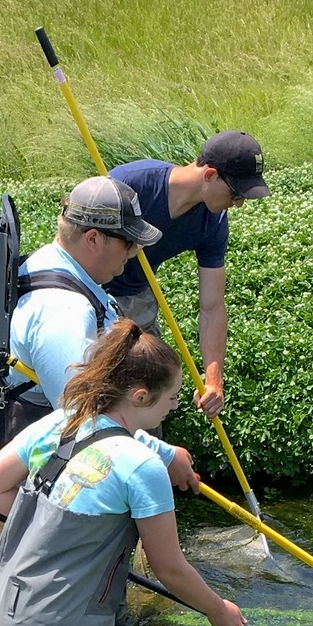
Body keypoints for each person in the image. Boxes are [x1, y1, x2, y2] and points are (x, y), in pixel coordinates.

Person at [0, 320, 245, 626]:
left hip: (13, 601)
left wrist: (53, 541)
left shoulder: (62, 422)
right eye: (173, 398)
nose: (174, 408)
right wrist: (219, 609)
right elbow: (169, 569)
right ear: (141, 396)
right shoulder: (141, 468)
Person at [102, 131, 271, 417]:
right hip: (87, 288)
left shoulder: (213, 222)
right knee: (100, 389)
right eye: (236, 193)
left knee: (151, 390)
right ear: (210, 175)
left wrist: (213, 378)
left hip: (137, 295)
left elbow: (213, 306)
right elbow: (76, 238)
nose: (239, 203)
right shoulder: (131, 183)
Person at [4, 176, 160, 441]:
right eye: (129, 243)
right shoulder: (62, 311)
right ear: (93, 239)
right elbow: (80, 416)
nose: (135, 252)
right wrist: (165, 456)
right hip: (60, 470)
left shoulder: (48, 263)